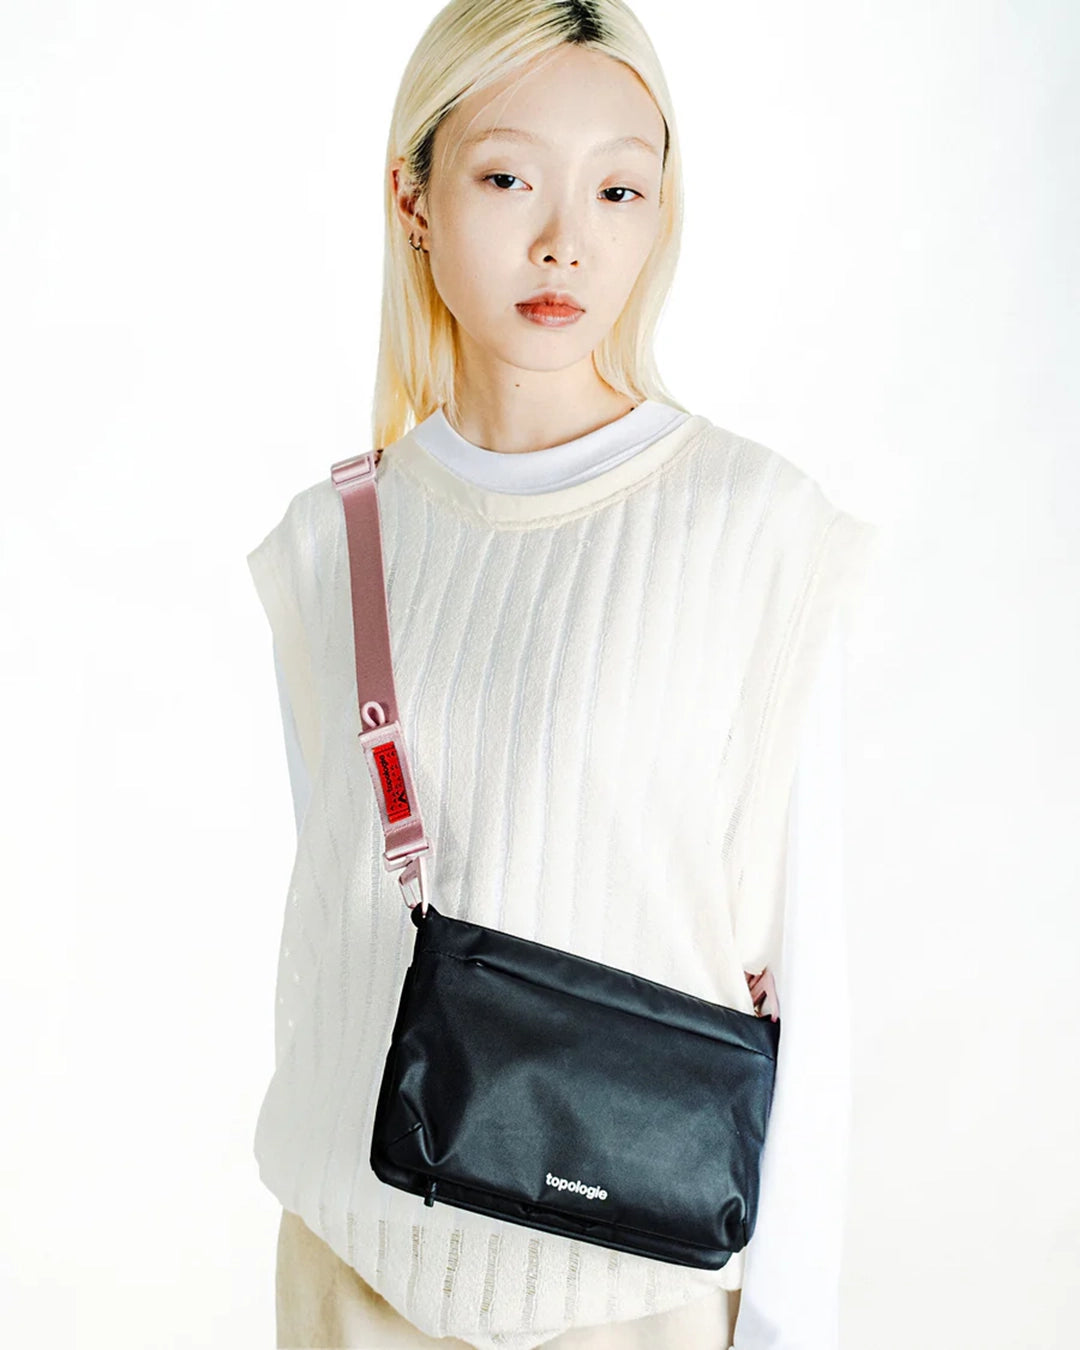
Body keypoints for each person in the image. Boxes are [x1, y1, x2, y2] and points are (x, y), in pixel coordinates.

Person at [246, 3, 878, 1347]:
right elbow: (343, 938)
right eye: (506, 177)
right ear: (412, 199)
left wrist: (786, 1325)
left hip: (639, 1295)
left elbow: (809, 982)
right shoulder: (329, 542)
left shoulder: (756, 528)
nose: (564, 241)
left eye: (617, 189)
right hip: (351, 1276)